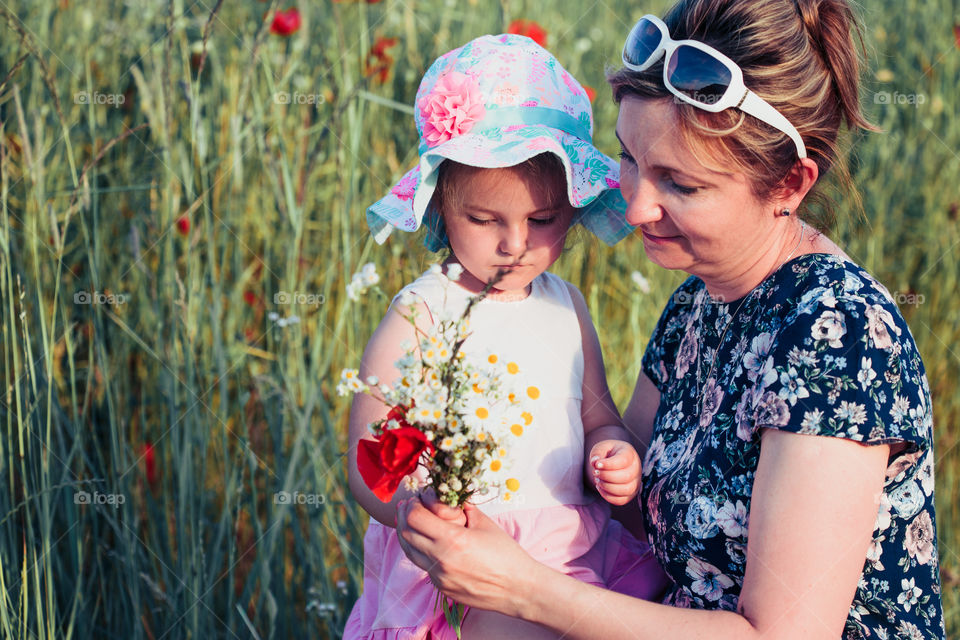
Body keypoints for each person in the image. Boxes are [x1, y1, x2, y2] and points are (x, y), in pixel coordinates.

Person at [395, 2, 946, 639]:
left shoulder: (838, 338)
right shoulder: (700, 300)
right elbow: (627, 505)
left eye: (679, 184)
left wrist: (521, 587)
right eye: (630, 159)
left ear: (790, 185)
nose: (635, 208)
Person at [344, 34, 668, 640]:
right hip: (463, 551)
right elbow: (369, 449)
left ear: (572, 210)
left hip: (569, 551)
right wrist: (411, 510)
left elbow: (597, 416)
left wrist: (614, 453)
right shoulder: (425, 311)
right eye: (485, 220)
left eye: (541, 221)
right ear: (441, 207)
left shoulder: (566, 307)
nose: (514, 244)